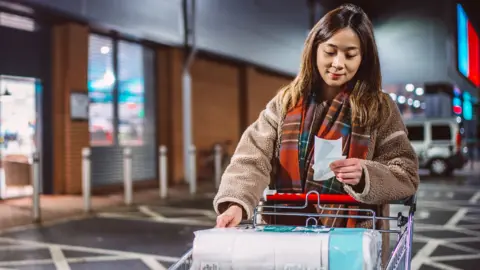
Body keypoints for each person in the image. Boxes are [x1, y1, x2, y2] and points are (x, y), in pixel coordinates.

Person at [213, 3, 419, 261]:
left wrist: (366, 175)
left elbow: (406, 173)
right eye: (330, 52)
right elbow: (252, 158)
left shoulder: (378, 108)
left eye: (350, 54)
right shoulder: (287, 102)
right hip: (286, 239)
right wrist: (236, 203)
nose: (338, 64)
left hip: (353, 246)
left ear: (364, 58)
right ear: (314, 50)